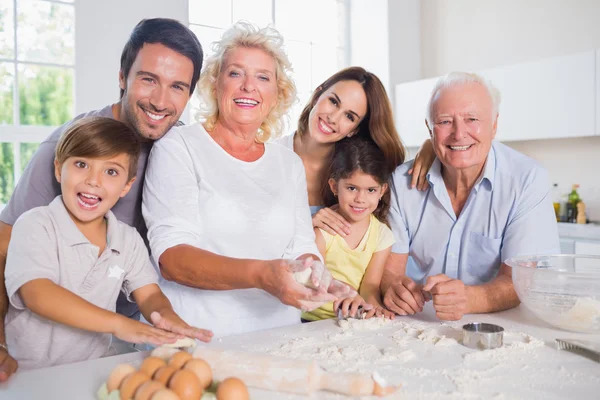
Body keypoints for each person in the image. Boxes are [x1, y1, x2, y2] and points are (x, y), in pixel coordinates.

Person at [0, 18, 203, 381]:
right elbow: (7, 252)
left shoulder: (184, 152)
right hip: (34, 357)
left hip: (104, 347)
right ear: (123, 77)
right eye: (148, 79)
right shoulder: (66, 148)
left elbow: (148, 290)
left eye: (177, 86)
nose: (160, 100)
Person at [142, 22, 352, 337]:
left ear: (277, 94)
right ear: (215, 84)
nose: (248, 86)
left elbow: (302, 246)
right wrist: (261, 275)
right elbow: (172, 258)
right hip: (200, 339)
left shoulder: (287, 163)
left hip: (280, 338)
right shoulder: (178, 147)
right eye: (236, 73)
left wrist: (317, 274)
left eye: (263, 77)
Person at [4, 117, 212, 370]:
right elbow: (38, 294)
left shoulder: (128, 240)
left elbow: (149, 295)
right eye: (81, 164)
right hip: (28, 374)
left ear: (126, 186)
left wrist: (167, 319)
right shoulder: (35, 224)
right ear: (59, 169)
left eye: (111, 171)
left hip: (91, 368)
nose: (94, 180)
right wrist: (120, 324)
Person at [381, 72, 560, 321]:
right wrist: (393, 289)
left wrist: (468, 299)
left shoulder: (526, 180)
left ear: (494, 125)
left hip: (502, 327)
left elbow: (523, 281)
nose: (458, 133)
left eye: (472, 119)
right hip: (417, 322)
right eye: (444, 121)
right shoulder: (401, 183)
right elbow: (389, 272)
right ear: (429, 128)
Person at [275, 67, 435, 238]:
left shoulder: (358, 167)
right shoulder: (271, 157)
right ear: (317, 95)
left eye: (349, 117)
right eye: (333, 102)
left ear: (354, 130)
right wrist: (307, 224)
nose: (333, 118)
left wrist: (431, 147)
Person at [302, 137, 396, 322]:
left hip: (350, 320)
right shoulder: (323, 229)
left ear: (382, 190)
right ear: (334, 187)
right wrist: (346, 291)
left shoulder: (382, 235)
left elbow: (370, 286)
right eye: (352, 188)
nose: (360, 199)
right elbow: (314, 276)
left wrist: (375, 308)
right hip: (312, 320)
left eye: (370, 190)